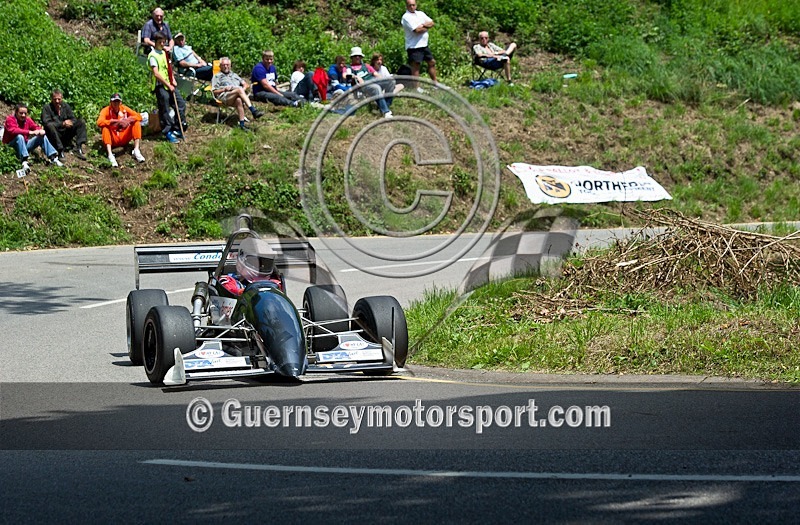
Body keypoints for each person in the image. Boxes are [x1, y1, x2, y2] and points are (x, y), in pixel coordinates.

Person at [148, 31, 186, 144]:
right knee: (164, 109)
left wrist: (172, 79)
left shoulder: (164, 53)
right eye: (160, 42)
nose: (163, 44)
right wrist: (167, 84)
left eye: (164, 42)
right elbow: (156, 73)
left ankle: (177, 127)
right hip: (160, 86)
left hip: (169, 83)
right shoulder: (152, 56)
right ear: (155, 42)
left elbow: (168, 67)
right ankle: (167, 132)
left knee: (180, 104)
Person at [214, 237, 283, 297]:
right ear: (242, 259)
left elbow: (278, 287)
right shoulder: (229, 280)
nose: (260, 267)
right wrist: (247, 291)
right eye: (254, 262)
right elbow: (230, 290)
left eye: (265, 263)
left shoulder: (273, 283)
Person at [3, 103, 63, 172]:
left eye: (25, 113)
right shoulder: (10, 119)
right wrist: (29, 132)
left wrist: (40, 130)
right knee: (19, 136)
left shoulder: (27, 120)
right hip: (12, 145)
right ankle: (24, 161)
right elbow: (13, 130)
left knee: (41, 137)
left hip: (24, 145)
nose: (23, 115)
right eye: (21, 113)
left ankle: (53, 158)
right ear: (16, 112)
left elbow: (35, 127)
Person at [211, 57, 265, 130]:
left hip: (237, 94)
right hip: (225, 96)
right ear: (220, 66)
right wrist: (224, 89)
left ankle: (242, 125)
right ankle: (253, 110)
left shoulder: (234, 75)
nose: (226, 66)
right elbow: (214, 91)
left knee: (239, 100)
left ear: (230, 66)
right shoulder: (217, 76)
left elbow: (245, 84)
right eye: (223, 65)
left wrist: (243, 89)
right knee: (239, 90)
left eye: (227, 65)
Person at [96, 93, 145, 168]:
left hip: (124, 136)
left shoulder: (124, 109)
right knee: (105, 128)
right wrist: (112, 122)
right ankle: (110, 154)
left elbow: (138, 116)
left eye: (118, 102)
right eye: (114, 102)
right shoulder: (105, 110)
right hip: (113, 138)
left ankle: (136, 149)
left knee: (136, 122)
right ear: (111, 102)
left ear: (120, 102)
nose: (116, 104)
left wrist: (128, 120)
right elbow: (99, 122)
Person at [41, 89, 88, 161]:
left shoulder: (65, 106)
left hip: (66, 132)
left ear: (62, 98)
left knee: (81, 122)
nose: (57, 101)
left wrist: (70, 122)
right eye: (55, 99)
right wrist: (62, 124)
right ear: (51, 99)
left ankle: (78, 147)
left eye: (59, 99)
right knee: (50, 126)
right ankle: (60, 151)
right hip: (54, 134)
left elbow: (73, 118)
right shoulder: (47, 108)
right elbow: (46, 122)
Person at [401, 0, 437, 89]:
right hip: (414, 46)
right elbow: (417, 31)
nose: (412, 7)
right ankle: (416, 88)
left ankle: (435, 84)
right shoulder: (406, 17)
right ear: (406, 6)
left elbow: (432, 23)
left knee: (432, 62)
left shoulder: (420, 14)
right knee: (416, 67)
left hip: (424, 45)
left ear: (416, 5)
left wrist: (422, 25)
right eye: (410, 5)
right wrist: (426, 27)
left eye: (413, 5)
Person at [349, 47, 393, 118]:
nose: (357, 58)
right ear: (352, 57)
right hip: (363, 85)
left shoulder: (366, 66)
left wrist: (383, 80)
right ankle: (385, 111)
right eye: (355, 56)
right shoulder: (349, 67)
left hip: (372, 80)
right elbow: (345, 75)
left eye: (359, 56)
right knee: (376, 88)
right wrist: (356, 77)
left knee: (391, 81)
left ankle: (386, 104)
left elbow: (376, 74)